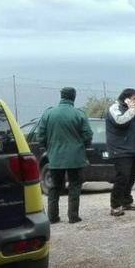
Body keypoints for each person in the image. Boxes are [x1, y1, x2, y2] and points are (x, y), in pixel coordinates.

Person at [36, 87, 93, 224]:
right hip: (75, 157)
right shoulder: (78, 114)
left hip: (55, 157)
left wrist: (50, 148)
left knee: (55, 187)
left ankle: (52, 217)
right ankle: (73, 216)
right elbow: (88, 135)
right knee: (74, 185)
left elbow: (40, 136)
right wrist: (81, 147)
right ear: (73, 97)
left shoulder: (48, 113)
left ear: (61, 96)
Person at [105, 88, 135, 217]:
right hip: (120, 150)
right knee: (122, 177)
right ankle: (115, 205)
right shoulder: (115, 108)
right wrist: (132, 110)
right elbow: (120, 121)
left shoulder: (133, 111)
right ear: (126, 99)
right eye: (134, 99)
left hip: (134, 149)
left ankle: (126, 201)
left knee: (131, 178)